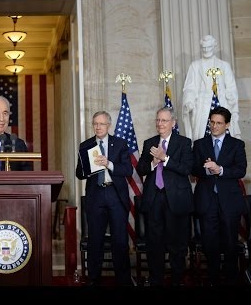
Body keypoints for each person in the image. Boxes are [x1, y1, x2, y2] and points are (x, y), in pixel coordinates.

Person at [136, 106, 194, 286]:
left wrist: (165, 158)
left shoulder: (184, 142)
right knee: (154, 244)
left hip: (176, 200)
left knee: (177, 245)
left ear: (173, 123)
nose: (160, 124)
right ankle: (156, 280)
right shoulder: (149, 143)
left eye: (164, 120)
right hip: (154, 199)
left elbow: (187, 169)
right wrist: (153, 162)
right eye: (158, 120)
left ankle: (177, 280)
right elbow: (140, 169)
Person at [75, 111, 134, 286]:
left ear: (108, 125)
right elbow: (79, 173)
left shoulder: (120, 144)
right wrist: (89, 167)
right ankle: (93, 278)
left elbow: (128, 170)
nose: (98, 127)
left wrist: (108, 163)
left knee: (120, 240)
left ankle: (123, 279)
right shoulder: (85, 145)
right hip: (96, 195)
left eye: (101, 124)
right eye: (95, 124)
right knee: (95, 239)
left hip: (115, 195)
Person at [191, 106, 247, 285]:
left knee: (230, 244)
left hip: (229, 202)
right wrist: (207, 171)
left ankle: (230, 280)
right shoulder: (200, 144)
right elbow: (193, 169)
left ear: (227, 125)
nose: (214, 126)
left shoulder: (237, 145)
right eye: (212, 122)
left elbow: (241, 170)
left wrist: (220, 169)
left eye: (219, 123)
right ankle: (214, 279)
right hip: (207, 201)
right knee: (210, 244)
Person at [182, 34, 241, 142]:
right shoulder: (195, 66)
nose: (206, 50)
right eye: (203, 47)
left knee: (227, 141)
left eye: (208, 47)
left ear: (214, 46)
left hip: (222, 105)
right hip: (202, 107)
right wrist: (189, 100)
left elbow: (231, 88)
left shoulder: (224, 65)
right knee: (201, 141)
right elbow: (189, 87)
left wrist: (232, 102)